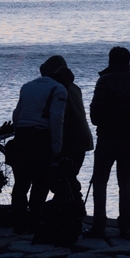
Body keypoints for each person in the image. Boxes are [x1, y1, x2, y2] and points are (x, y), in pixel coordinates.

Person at [87, 46, 130, 239]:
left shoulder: (105, 80)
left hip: (107, 137)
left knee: (100, 182)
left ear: (110, 60)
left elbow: (95, 116)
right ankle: (126, 226)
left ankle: (99, 225)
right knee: (125, 183)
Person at [10, 57, 67, 235]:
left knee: (21, 183)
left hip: (21, 135)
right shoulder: (58, 89)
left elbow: (17, 114)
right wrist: (57, 146)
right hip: (41, 137)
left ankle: (18, 223)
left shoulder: (27, 86)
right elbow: (57, 119)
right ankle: (35, 222)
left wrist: (18, 132)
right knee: (40, 182)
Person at [41, 56, 93, 190]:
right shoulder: (75, 88)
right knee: (69, 176)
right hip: (83, 139)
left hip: (70, 139)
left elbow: (61, 116)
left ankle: (71, 199)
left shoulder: (57, 89)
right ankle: (74, 199)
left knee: (58, 178)